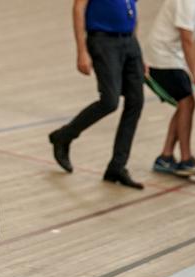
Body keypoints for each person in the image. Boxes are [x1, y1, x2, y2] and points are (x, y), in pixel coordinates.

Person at [49, 0, 145, 189]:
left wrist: (139, 54)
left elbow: (133, 10)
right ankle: (64, 136)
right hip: (103, 40)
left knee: (136, 101)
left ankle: (117, 166)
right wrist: (81, 50)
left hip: (129, 42)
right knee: (110, 101)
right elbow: (78, 7)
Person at [147, 0, 195, 176]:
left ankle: (166, 156)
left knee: (186, 103)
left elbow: (194, 41)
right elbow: (186, 40)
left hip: (171, 57)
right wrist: (194, 75)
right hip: (162, 58)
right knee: (187, 102)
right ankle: (185, 160)